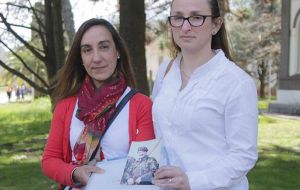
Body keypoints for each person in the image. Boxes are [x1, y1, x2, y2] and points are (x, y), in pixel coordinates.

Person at [152, 0, 258, 189]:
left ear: (216, 25)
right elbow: (158, 134)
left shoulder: (237, 83)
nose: (185, 26)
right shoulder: (165, 71)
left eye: (196, 18)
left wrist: (192, 181)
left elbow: (243, 156)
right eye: (178, 17)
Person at [41, 18, 155, 190]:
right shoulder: (65, 107)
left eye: (104, 47)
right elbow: (49, 161)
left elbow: (143, 172)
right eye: (87, 50)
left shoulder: (141, 105)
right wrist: (75, 173)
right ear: (80, 58)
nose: (96, 58)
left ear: (118, 51)